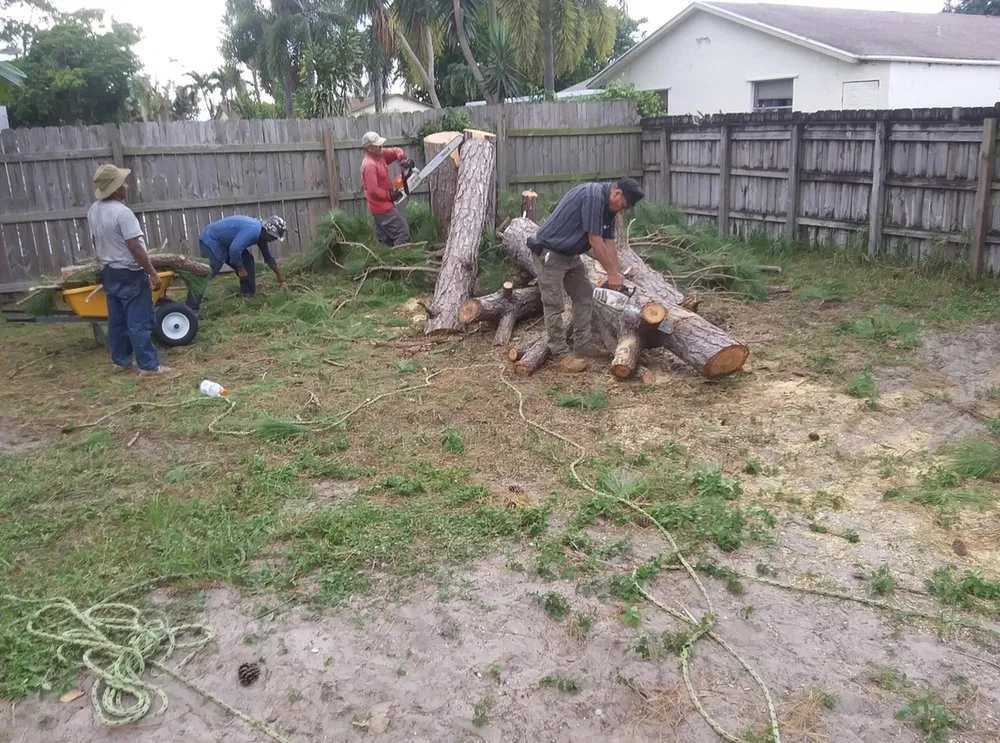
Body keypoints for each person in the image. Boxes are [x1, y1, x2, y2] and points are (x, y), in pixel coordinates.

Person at [527, 177, 645, 373]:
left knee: (584, 295)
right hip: (550, 252)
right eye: (623, 205)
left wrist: (616, 274)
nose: (622, 210)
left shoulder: (610, 209)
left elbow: (609, 242)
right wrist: (610, 273)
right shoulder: (593, 197)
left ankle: (583, 342)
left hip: (570, 254)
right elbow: (595, 239)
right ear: (617, 193)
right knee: (554, 304)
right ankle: (559, 354)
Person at [87, 164, 170, 375]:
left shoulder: (93, 210)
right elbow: (134, 246)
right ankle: (149, 366)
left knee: (117, 319)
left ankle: (121, 361)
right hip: (129, 272)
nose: (127, 185)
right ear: (116, 189)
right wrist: (152, 272)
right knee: (139, 319)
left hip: (109, 271)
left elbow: (96, 240)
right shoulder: (122, 213)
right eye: (123, 183)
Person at [186, 215, 288, 311]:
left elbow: (268, 257)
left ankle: (248, 297)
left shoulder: (262, 235)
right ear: (268, 231)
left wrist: (280, 276)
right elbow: (235, 249)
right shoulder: (253, 231)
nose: (275, 239)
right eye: (274, 237)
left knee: (247, 261)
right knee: (207, 272)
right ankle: (191, 308)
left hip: (227, 242)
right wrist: (240, 269)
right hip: (212, 239)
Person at [360, 130, 411, 246]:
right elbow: (373, 191)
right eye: (377, 146)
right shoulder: (369, 165)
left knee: (386, 241)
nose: (381, 147)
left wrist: (402, 158)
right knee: (403, 233)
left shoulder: (380, 155)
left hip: (383, 205)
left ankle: (389, 261)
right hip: (381, 208)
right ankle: (401, 258)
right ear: (369, 149)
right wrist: (390, 196)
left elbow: (395, 151)